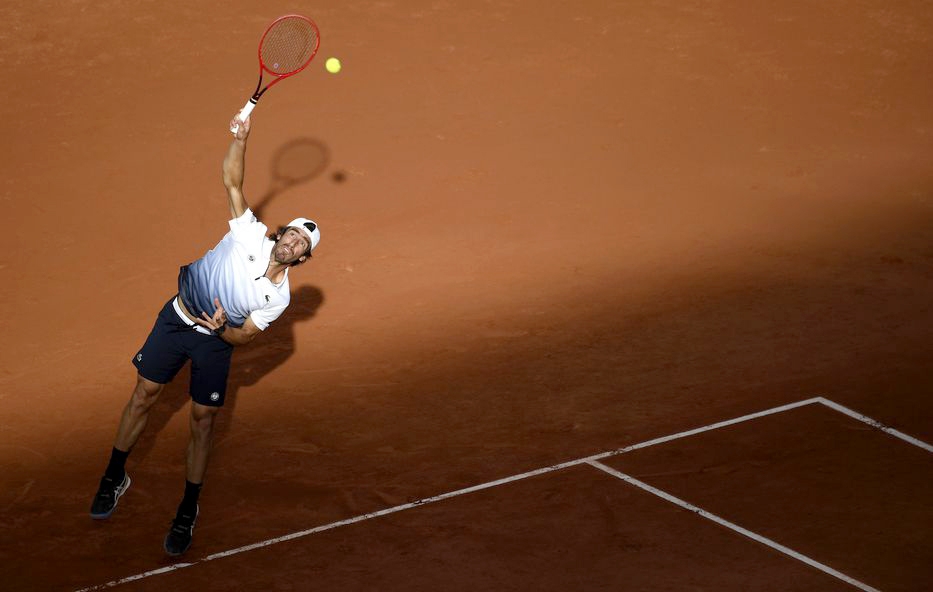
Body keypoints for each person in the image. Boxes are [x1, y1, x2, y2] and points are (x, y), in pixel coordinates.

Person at [89, 114, 321, 556]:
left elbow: (245, 338)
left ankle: (187, 509)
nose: (291, 243)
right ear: (281, 232)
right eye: (291, 234)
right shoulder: (248, 235)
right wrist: (241, 140)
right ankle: (114, 476)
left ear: (302, 259)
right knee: (144, 394)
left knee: (202, 420)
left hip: (216, 340)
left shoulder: (278, 298)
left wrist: (223, 330)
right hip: (176, 318)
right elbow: (232, 182)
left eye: (300, 246)